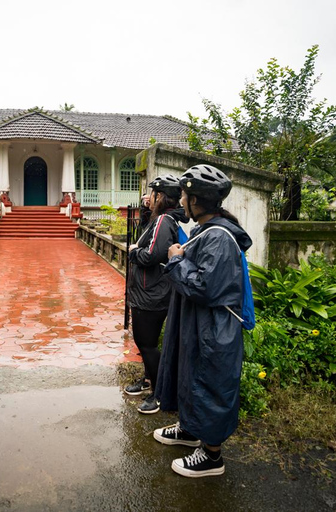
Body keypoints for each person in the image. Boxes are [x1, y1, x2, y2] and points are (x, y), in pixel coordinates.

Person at [153, 164, 252, 478]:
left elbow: (202, 287)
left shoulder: (218, 238)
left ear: (196, 200)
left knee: (208, 383)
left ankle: (211, 456)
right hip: (199, 324)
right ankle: (190, 429)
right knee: (190, 374)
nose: (180, 200)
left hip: (213, 328)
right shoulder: (208, 231)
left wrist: (175, 259)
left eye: (183, 194)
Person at [124, 174, 185, 414]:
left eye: (152, 194)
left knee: (147, 344)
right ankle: (149, 380)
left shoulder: (164, 221)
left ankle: (159, 393)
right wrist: (144, 209)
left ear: (160, 196)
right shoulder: (161, 219)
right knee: (145, 343)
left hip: (151, 293)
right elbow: (145, 234)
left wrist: (133, 252)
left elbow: (152, 255)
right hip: (151, 291)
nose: (148, 197)